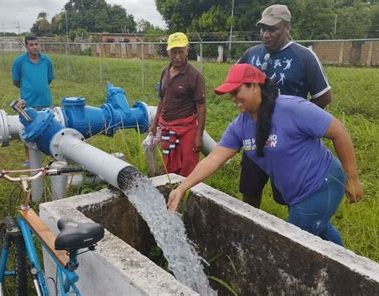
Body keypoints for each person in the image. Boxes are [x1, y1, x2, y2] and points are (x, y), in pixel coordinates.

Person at [167, 64, 363, 246]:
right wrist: (182, 187)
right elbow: (214, 158)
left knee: (293, 244)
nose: (233, 98)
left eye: (236, 92)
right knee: (319, 230)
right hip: (297, 194)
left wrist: (352, 178)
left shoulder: (291, 108)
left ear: (254, 86)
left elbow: (339, 132)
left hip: (322, 183)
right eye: (230, 94)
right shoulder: (241, 125)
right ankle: (354, 269)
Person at [237, 4, 333, 208]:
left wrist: (297, 120)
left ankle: (294, 230)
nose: (266, 34)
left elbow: (324, 97)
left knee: (289, 192)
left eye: (273, 29)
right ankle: (249, 225)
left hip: (286, 141)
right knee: (250, 189)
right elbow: (235, 83)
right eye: (263, 28)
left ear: (287, 27)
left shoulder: (303, 57)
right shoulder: (251, 54)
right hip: (253, 135)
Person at [149, 32, 206, 177]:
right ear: (168, 52)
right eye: (174, 52)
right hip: (167, 127)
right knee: (169, 161)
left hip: (186, 127)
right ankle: (172, 190)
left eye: (181, 51)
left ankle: (188, 192)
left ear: (187, 50)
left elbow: (201, 106)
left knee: (188, 162)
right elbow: (161, 99)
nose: (178, 56)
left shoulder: (195, 76)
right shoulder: (165, 72)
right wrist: (155, 123)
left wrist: (199, 136)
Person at [12, 35, 54, 166]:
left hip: (45, 101)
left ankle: (51, 156)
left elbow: (49, 79)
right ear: (26, 46)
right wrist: (28, 90)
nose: (35, 47)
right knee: (28, 131)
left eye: (37, 44)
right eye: (31, 45)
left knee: (49, 130)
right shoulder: (19, 62)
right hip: (28, 103)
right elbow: (16, 81)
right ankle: (28, 159)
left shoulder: (46, 60)